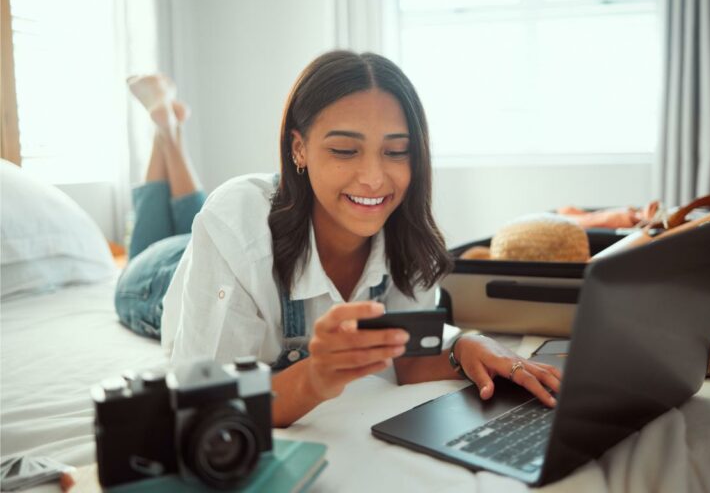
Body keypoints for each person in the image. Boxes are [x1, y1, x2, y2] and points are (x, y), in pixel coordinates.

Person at [116, 51, 561, 428]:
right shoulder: (235, 221)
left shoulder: (407, 232)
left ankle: (168, 126)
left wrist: (465, 347)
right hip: (155, 278)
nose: (373, 178)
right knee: (169, 230)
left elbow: (408, 358)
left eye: (395, 151)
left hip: (213, 245)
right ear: (298, 148)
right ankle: (166, 128)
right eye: (344, 150)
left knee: (188, 212)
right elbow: (206, 404)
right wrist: (314, 376)